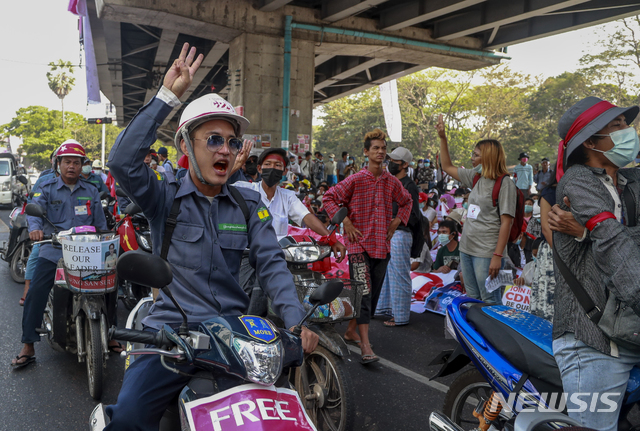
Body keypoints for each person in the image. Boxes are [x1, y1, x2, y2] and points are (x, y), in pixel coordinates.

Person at [103, 43, 318, 430]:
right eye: (213, 139)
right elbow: (121, 161)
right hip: (168, 336)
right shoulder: (163, 197)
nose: (225, 149)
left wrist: (296, 320)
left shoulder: (249, 204)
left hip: (235, 338)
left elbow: (271, 264)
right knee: (130, 419)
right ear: (186, 145)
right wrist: (168, 96)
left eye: (232, 142)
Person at [545, 96, 640, 431]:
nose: (628, 132)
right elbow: (614, 242)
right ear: (590, 140)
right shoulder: (579, 181)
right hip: (593, 340)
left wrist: (589, 235)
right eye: (617, 126)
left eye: (626, 124)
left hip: (630, 330)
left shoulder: (629, 182)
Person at [11, 141, 109, 368]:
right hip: (53, 249)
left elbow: (100, 223)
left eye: (77, 162)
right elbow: (34, 211)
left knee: (109, 285)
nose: (72, 167)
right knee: (35, 292)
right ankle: (28, 344)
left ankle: (110, 334)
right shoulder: (46, 188)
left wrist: (105, 239)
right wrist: (35, 229)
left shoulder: (91, 191)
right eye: (67, 162)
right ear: (58, 164)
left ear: (83, 165)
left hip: (86, 250)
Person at [323, 128, 412, 363]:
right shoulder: (355, 179)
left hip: (382, 245)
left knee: (370, 297)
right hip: (358, 245)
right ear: (366, 152)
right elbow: (329, 198)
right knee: (363, 293)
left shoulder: (392, 182)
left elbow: (407, 201)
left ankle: (352, 330)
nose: (381, 152)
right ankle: (365, 345)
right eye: (376, 148)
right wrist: (347, 222)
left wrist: (396, 222)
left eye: (383, 148)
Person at [436, 114, 516, 304]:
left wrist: (497, 256)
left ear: (488, 157)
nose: (472, 158)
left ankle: (492, 335)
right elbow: (446, 166)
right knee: (472, 297)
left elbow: (507, 223)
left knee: (489, 299)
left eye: (476, 155)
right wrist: (442, 138)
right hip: (467, 249)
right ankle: (473, 334)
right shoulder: (475, 176)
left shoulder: (505, 184)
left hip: (487, 252)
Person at [376, 147, 421, 327]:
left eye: (395, 161)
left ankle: (400, 315)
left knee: (400, 275)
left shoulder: (410, 186)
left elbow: (414, 216)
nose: (390, 163)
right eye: (390, 160)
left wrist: (394, 221)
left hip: (400, 234)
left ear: (405, 164)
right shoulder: (390, 182)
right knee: (386, 274)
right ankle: (387, 309)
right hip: (388, 234)